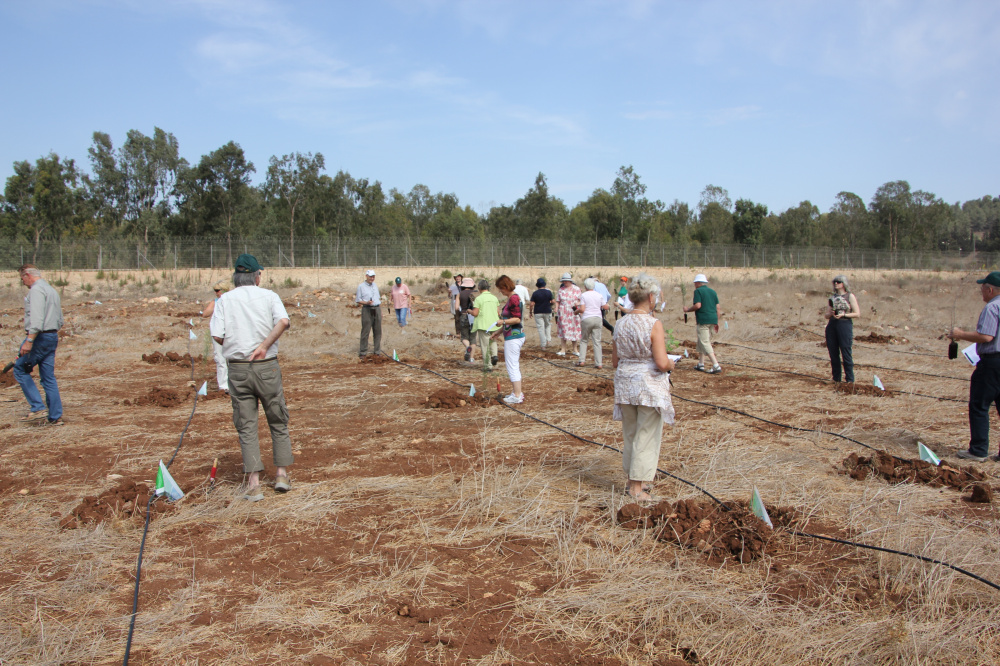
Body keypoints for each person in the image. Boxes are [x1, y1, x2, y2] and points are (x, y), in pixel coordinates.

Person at [210, 254, 293, 501]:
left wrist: (236, 344)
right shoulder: (269, 296)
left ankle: (254, 484)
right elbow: (284, 322)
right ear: (257, 276)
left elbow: (216, 335)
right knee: (277, 419)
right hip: (266, 366)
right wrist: (264, 345)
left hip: (238, 369)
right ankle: (281, 475)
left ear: (236, 277)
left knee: (246, 426)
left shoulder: (224, 300)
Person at [612, 273, 675, 502]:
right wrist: (672, 364)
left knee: (631, 433)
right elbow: (661, 362)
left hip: (625, 383)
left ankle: (632, 480)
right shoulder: (653, 324)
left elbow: (615, 361)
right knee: (646, 434)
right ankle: (637, 489)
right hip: (648, 385)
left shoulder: (620, 323)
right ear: (650, 297)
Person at [948, 271, 1000, 462]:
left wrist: (960, 334)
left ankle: (978, 450)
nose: (981, 292)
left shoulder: (992, 307)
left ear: (990, 289)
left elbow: (987, 336)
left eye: (982, 288)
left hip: (992, 363)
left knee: (979, 405)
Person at [13, 265, 63, 425]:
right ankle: (55, 417)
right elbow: (60, 319)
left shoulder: (36, 291)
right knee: (48, 377)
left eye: (23, 280)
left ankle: (37, 408)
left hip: (39, 337)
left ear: (27, 275)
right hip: (52, 336)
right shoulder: (51, 290)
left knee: (19, 369)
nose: (24, 283)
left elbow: (36, 319)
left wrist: (29, 340)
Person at [493, 275, 526, 403]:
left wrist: (502, 321)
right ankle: (516, 392)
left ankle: (517, 395)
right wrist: (499, 332)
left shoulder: (513, 299)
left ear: (506, 287)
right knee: (513, 365)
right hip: (512, 335)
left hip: (514, 337)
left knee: (512, 366)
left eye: (501, 289)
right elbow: (510, 321)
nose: (500, 292)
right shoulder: (512, 298)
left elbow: (517, 319)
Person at [682, 273, 723, 374]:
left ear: (698, 283)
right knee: (702, 340)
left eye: (695, 283)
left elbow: (698, 305)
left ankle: (716, 365)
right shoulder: (713, 292)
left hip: (703, 320)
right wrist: (716, 321)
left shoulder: (698, 291)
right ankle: (701, 363)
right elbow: (718, 307)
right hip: (713, 319)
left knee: (705, 342)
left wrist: (688, 310)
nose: (694, 284)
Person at [823, 274, 860, 383]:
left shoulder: (850, 296)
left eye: (838, 282)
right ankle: (836, 379)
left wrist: (844, 315)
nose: (836, 284)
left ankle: (849, 380)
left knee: (845, 351)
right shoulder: (832, 297)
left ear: (844, 284)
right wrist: (830, 313)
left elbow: (857, 313)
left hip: (844, 324)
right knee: (833, 353)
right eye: (834, 282)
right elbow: (826, 315)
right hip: (832, 325)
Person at [201, 280, 230, 393]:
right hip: (218, 334)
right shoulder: (216, 302)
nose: (216, 293)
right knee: (221, 359)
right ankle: (224, 386)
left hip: (230, 333)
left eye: (217, 290)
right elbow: (205, 314)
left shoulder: (231, 301)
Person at [577, 277, 609, 368]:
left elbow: (582, 309)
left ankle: (581, 360)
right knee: (597, 342)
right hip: (598, 318)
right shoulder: (599, 295)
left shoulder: (583, 295)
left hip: (587, 318)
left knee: (584, 340)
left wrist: (576, 311)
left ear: (585, 286)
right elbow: (605, 307)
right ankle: (599, 363)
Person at [470, 279, 501, 371]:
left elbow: (475, 313)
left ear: (479, 288)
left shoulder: (479, 299)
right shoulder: (494, 298)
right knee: (493, 341)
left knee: (485, 346)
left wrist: (469, 311)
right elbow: (498, 312)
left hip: (483, 325)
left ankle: (488, 366)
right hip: (494, 324)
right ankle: (494, 355)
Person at [355, 269, 382, 357]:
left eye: (373, 276)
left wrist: (380, 311)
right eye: (370, 276)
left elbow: (377, 299)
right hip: (367, 309)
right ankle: (363, 352)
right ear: (366, 276)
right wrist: (366, 302)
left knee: (377, 331)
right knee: (365, 331)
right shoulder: (361, 286)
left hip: (376, 309)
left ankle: (377, 351)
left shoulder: (375, 285)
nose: (372, 278)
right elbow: (358, 300)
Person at [555, 273, 582, 357]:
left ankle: (575, 349)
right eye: (563, 281)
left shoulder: (577, 289)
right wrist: (556, 308)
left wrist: (577, 304)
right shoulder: (561, 290)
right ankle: (563, 349)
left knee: (574, 330)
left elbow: (581, 300)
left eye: (566, 281)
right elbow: (558, 300)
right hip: (563, 312)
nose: (565, 282)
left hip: (573, 312)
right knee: (563, 330)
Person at [455, 277, 477, 363]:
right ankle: (471, 358)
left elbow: (456, 308)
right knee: (473, 338)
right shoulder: (475, 294)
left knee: (464, 337)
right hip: (473, 317)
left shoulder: (459, 294)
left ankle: (467, 347)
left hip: (463, 316)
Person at [529, 278, 554, 349]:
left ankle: (543, 345)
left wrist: (530, 312)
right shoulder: (548, 292)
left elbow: (531, 304)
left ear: (537, 285)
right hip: (547, 311)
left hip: (538, 312)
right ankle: (548, 340)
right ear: (544, 285)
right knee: (548, 325)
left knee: (541, 328)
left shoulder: (535, 293)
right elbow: (553, 301)